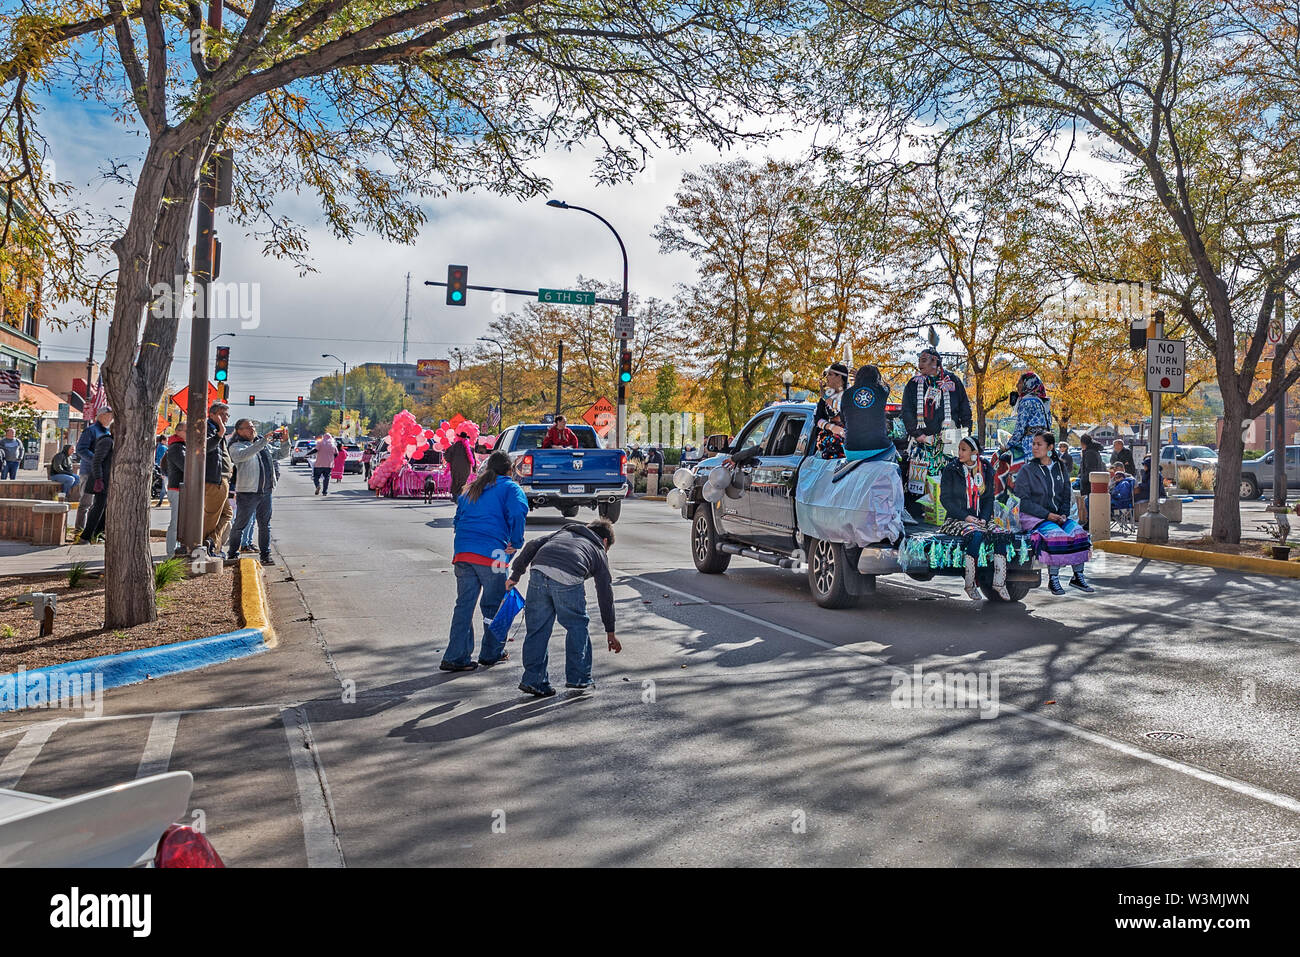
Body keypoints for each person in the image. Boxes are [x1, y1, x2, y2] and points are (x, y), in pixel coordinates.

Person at [509, 518, 620, 696]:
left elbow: (532, 545)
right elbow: (605, 594)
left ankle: (533, 680)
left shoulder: (563, 532)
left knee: (537, 629)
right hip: (568, 575)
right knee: (577, 626)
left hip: (538, 571)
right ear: (605, 541)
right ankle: (578, 678)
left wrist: (515, 575)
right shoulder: (598, 550)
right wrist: (610, 631)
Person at [441, 451, 530, 672]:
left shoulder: (472, 488)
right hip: (493, 553)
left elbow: (457, 518)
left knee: (464, 605)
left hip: (463, 552)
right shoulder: (510, 488)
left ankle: (455, 656)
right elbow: (519, 513)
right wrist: (516, 541)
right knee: (494, 606)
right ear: (510, 470)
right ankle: (492, 653)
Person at [1017, 431, 1094, 595]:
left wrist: (1064, 514)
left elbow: (1066, 494)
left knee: (1079, 534)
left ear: (1050, 447)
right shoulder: (1027, 470)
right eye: (1033, 444)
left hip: (1058, 516)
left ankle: (1077, 576)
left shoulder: (1059, 467)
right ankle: (1053, 579)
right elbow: (1023, 502)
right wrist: (1048, 515)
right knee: (1056, 536)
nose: (1035, 447)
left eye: (1039, 444)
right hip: (1035, 517)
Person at [901, 348, 971, 510]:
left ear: (935, 362)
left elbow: (964, 409)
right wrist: (919, 435)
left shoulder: (953, 381)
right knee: (918, 480)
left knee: (949, 477)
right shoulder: (914, 384)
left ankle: (948, 509)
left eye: (924, 360)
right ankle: (918, 510)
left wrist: (966, 435)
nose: (920, 364)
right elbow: (907, 412)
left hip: (949, 441)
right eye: (919, 360)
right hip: (922, 442)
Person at [939, 436, 1008, 600]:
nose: (960, 453)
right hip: (956, 519)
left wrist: (984, 518)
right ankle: (970, 584)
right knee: (976, 534)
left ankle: (999, 583)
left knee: (1001, 534)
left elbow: (989, 498)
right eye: (959, 449)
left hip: (979, 518)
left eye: (964, 449)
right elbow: (945, 499)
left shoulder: (986, 468)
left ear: (974, 453)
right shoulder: (951, 469)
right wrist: (966, 516)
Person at [226, 419, 280, 566]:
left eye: (253, 427)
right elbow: (242, 456)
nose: (252, 430)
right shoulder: (236, 446)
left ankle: (265, 555)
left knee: (264, 524)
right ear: (239, 431)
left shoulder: (260, 444)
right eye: (248, 428)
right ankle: (232, 554)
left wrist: (286, 442)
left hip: (266, 491)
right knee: (240, 525)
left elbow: (280, 454)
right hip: (248, 492)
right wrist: (263, 442)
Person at [840, 364, 895, 462]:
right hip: (879, 448)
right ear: (877, 378)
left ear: (858, 377)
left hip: (851, 450)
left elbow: (843, 419)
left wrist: (860, 379)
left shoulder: (847, 393)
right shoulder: (881, 391)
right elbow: (887, 386)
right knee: (894, 451)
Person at [74, 408, 113, 533]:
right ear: (101, 416)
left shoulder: (108, 432)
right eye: (109, 416)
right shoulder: (90, 430)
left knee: (99, 504)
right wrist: (96, 460)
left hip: (103, 473)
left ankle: (94, 530)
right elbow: (81, 449)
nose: (110, 419)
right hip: (89, 471)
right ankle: (79, 530)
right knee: (86, 503)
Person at [203, 400, 234, 557]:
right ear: (212, 414)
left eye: (227, 415)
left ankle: (210, 542)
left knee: (227, 514)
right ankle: (204, 548)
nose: (226, 417)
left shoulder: (217, 430)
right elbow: (204, 448)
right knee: (211, 516)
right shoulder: (207, 428)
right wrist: (220, 433)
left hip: (223, 480)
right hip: (214, 480)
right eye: (222, 414)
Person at [80, 423, 115, 542]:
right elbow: (97, 461)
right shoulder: (107, 441)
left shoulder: (114, 442)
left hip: (108, 480)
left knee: (105, 508)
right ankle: (86, 536)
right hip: (101, 480)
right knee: (98, 508)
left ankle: (98, 533)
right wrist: (99, 479)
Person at [1008, 372, 1051, 460]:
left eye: (1020, 383)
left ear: (1027, 384)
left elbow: (1020, 429)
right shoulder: (1043, 402)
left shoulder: (1026, 401)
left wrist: (1008, 445)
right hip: (1044, 444)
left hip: (1030, 445)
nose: (1017, 386)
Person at [811, 361, 850, 459]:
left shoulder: (852, 395)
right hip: (829, 436)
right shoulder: (825, 398)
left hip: (850, 437)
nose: (827, 377)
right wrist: (832, 427)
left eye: (830, 374)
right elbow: (817, 418)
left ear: (839, 377)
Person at [161, 422, 187, 556]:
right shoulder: (177, 448)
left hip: (177, 488)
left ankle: (175, 551)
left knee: (180, 523)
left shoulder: (178, 446)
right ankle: (171, 553)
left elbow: (164, 467)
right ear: (178, 431)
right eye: (186, 431)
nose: (190, 434)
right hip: (176, 489)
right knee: (175, 523)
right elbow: (186, 467)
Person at [1077, 434, 1106, 523]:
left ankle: (1091, 522)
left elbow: (1090, 469)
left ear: (1083, 443)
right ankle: (1091, 521)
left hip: (1091, 482)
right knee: (1089, 502)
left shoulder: (1090, 453)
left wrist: (1083, 479)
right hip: (1093, 481)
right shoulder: (1093, 451)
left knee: (1090, 503)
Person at [445, 430, 475, 499]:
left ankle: (455, 495)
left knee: (455, 481)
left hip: (455, 468)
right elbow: (472, 459)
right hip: (465, 469)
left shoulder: (453, 447)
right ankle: (460, 496)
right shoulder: (470, 448)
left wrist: (450, 461)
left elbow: (447, 456)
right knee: (463, 481)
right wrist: (474, 468)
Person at [313, 430, 338, 495]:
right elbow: (336, 454)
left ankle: (317, 485)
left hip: (319, 463)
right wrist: (332, 458)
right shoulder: (333, 444)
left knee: (316, 476)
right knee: (326, 477)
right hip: (328, 464)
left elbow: (315, 450)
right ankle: (325, 491)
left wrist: (307, 454)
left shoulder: (320, 442)